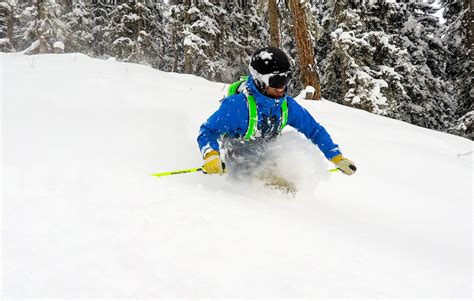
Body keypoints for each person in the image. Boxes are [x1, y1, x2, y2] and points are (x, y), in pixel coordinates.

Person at [197, 46, 356, 179]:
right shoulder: (237, 106)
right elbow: (207, 131)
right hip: (239, 164)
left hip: (269, 157)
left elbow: (314, 130)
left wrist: (336, 156)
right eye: (276, 81)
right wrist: (211, 155)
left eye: (286, 79)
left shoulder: (287, 106)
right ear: (260, 80)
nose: (282, 87)